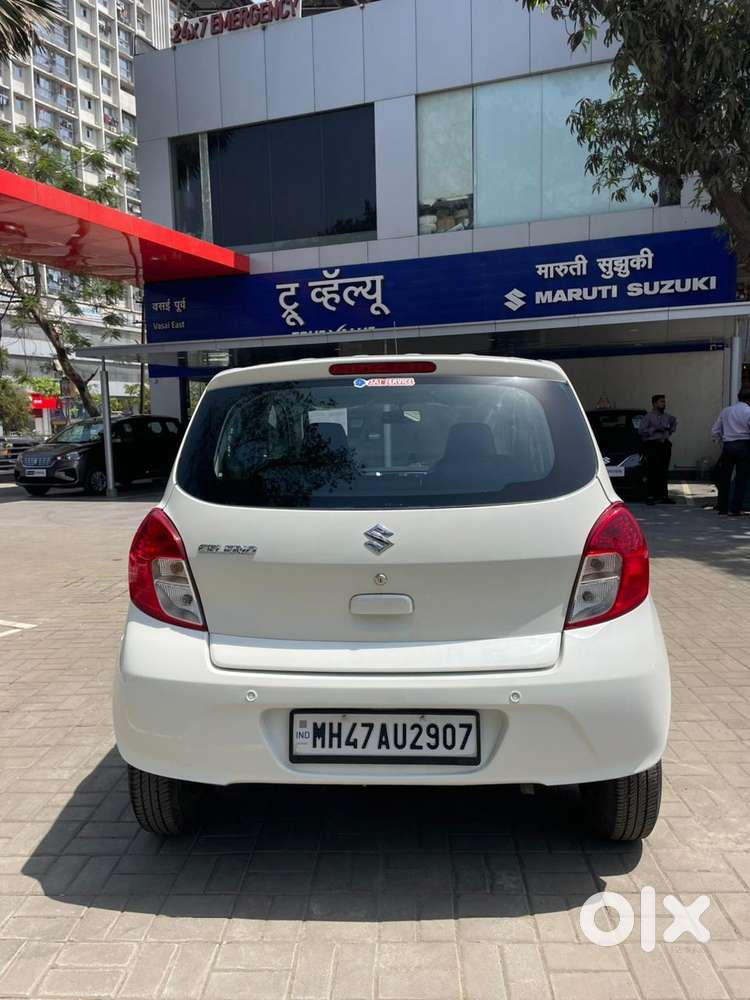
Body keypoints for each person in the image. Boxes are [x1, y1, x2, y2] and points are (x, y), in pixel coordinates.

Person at [711, 388, 750, 516]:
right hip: (744, 446)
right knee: (741, 479)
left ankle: (722, 508)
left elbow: (716, 429)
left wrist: (718, 440)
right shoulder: (748, 411)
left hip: (728, 446)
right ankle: (735, 508)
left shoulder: (726, 411)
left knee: (724, 478)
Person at [639, 394, 677, 505]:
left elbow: (674, 422)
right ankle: (650, 496)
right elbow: (641, 431)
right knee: (652, 470)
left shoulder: (667, 417)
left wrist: (669, 431)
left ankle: (663, 496)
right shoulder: (648, 417)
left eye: (664, 402)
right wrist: (655, 429)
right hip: (652, 445)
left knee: (663, 470)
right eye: (661, 402)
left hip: (664, 445)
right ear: (655, 404)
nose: (663, 404)